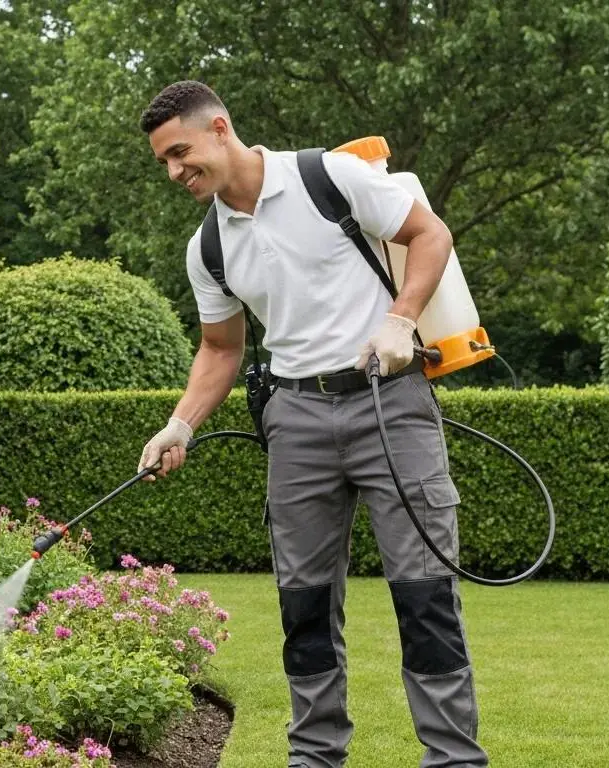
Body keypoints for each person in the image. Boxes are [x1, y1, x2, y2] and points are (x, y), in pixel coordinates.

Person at [136, 80, 487, 768]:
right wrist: (180, 425)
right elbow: (221, 349)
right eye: (163, 163)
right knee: (304, 607)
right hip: (294, 420)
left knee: (424, 595)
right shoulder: (207, 248)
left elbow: (429, 233)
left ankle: (452, 759)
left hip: (392, 401)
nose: (175, 171)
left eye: (181, 152)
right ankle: (315, 757)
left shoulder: (328, 176)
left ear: (220, 128)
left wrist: (400, 319)